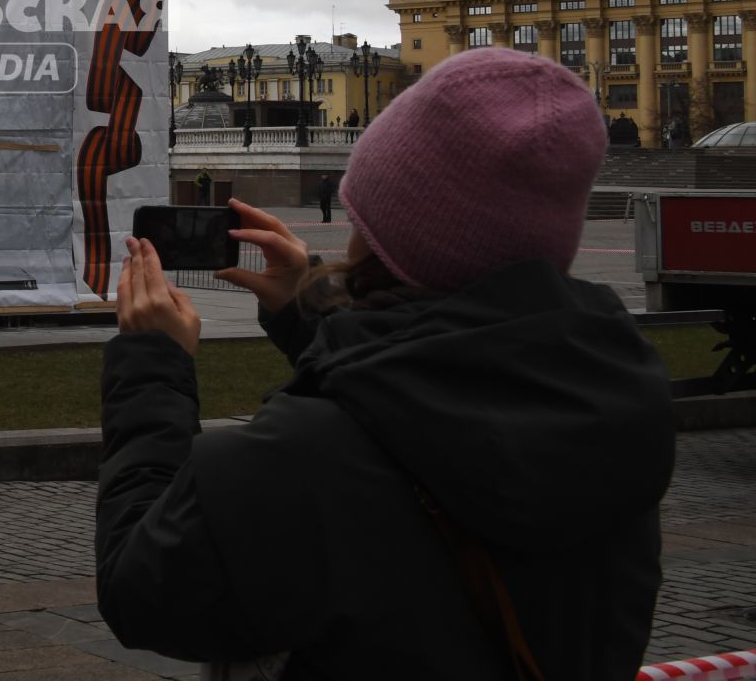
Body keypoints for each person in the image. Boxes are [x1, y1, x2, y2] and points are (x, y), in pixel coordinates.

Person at [98, 48, 674, 679]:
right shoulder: (614, 406)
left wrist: (153, 366)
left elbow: (141, 591)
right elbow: (430, 399)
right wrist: (303, 314)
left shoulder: (298, 456)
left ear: (387, 228)